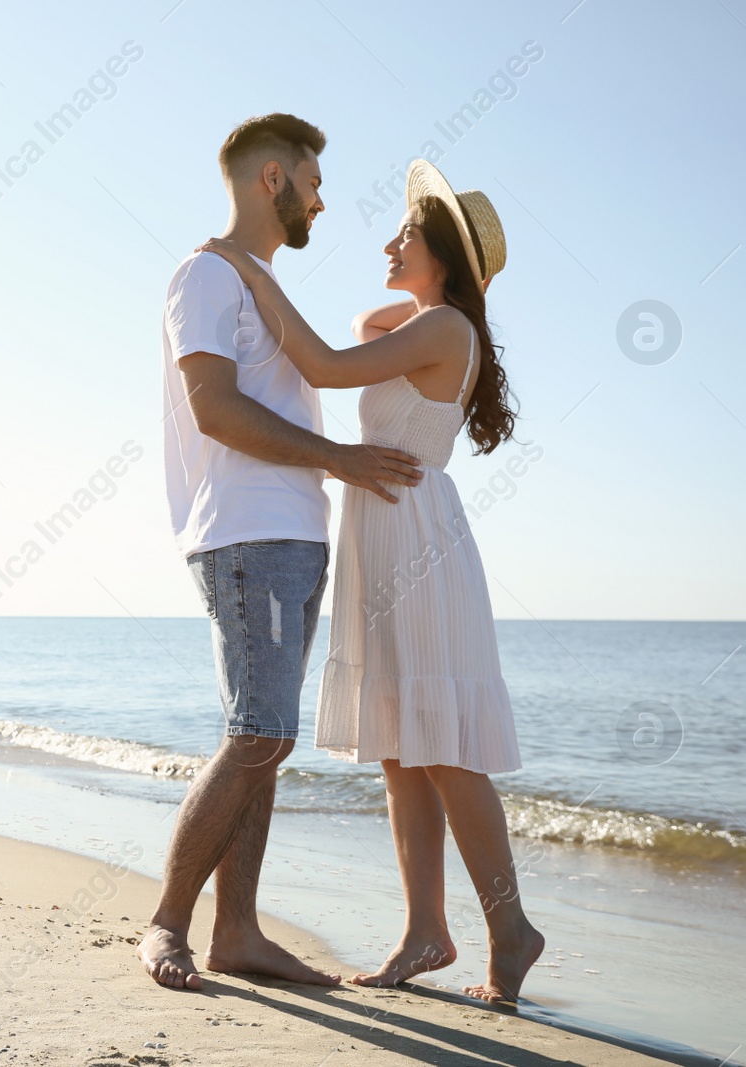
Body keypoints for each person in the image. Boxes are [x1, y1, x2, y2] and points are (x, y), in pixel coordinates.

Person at [196, 158, 545, 1004]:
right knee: (401, 749)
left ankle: (511, 927)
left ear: (450, 263)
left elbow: (318, 363)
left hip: (416, 537)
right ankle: (427, 929)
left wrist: (249, 269)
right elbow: (365, 318)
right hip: (387, 532)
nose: (389, 242)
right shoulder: (435, 321)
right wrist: (431, 274)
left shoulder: (445, 329)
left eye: (408, 235)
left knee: (447, 751)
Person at [140, 113, 423, 992]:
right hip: (247, 534)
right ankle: (165, 924)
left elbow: (339, 359)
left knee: (268, 739)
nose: (322, 198)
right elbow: (215, 408)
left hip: (294, 533)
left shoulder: (252, 278)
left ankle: (238, 930)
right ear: (273, 180)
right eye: (313, 180)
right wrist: (338, 459)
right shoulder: (206, 277)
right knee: (256, 732)